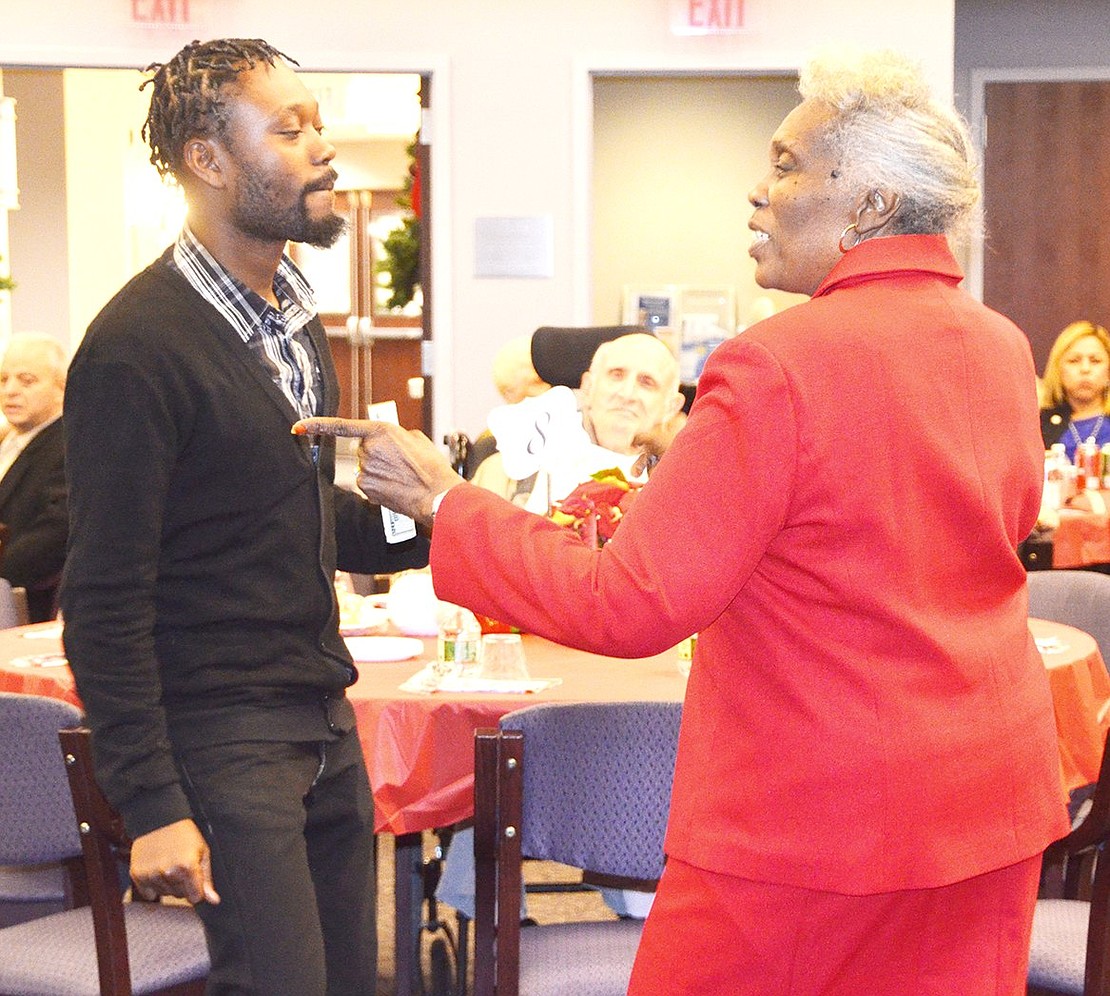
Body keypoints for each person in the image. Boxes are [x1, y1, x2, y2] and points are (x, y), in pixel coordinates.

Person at [299, 48, 1068, 994]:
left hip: (813, 826)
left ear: (869, 206)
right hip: (987, 799)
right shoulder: (999, 346)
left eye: (786, 164)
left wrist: (445, 504)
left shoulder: (775, 365)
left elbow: (630, 603)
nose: (757, 190)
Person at [60, 38, 428, 995]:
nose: (324, 149)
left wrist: (431, 513)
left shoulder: (295, 318)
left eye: (319, 123)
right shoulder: (135, 349)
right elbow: (102, 595)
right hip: (220, 736)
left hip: (320, 716)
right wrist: (149, 803)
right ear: (208, 160)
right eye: (290, 127)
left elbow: (289, 514)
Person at [471, 332, 685, 509]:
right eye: (616, 375)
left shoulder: (683, 483)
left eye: (647, 383)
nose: (627, 394)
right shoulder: (508, 470)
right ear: (588, 387)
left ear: (671, 406)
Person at [0, 332, 68, 621]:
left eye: (27, 380)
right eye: (3, 379)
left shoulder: (69, 445)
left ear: (60, 387)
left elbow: (56, 532)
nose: (10, 390)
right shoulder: (9, 439)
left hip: (22, 604)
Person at [1039, 319, 1110, 461]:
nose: (1085, 369)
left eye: (1095, 361)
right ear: (1058, 370)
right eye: (1074, 361)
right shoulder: (1041, 424)